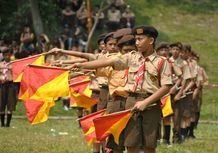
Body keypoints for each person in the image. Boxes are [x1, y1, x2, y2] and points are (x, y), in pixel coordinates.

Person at [68, 25, 172, 153]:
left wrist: (145, 102)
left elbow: (167, 86)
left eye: (140, 39)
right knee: (131, 143)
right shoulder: (132, 57)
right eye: (136, 39)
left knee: (149, 145)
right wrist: (82, 65)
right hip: (131, 102)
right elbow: (109, 61)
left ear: (151, 41)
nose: (137, 42)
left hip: (151, 104)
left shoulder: (162, 62)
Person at [156, 42, 182, 147]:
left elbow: (180, 76)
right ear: (157, 51)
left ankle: (166, 139)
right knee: (155, 117)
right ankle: (156, 138)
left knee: (167, 117)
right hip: (155, 94)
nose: (164, 52)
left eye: (166, 50)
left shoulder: (171, 63)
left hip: (167, 94)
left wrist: (175, 88)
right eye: (161, 50)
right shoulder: (154, 62)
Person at [0, 48, 18, 127]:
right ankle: (2, 124)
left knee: (10, 103)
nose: (7, 56)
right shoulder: (0, 64)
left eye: (9, 55)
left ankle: (8, 124)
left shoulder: (13, 64)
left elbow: (17, 73)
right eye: (5, 55)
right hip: (2, 85)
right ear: (3, 55)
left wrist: (12, 69)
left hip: (11, 85)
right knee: (1, 103)